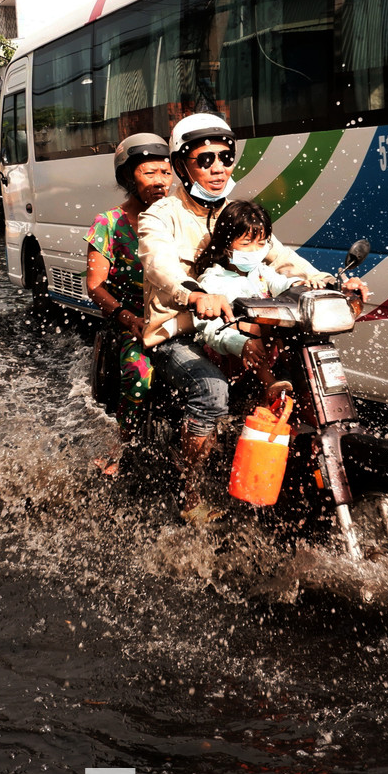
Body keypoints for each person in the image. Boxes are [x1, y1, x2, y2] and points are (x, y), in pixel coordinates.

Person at [139, 113, 362, 523]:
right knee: (212, 393)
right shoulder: (161, 215)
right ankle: (189, 488)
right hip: (181, 332)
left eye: (225, 157)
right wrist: (194, 293)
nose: (218, 168)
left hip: (243, 326)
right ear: (181, 165)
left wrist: (328, 282)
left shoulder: (239, 214)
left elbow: (282, 261)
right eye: (205, 159)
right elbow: (158, 264)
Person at [84, 133, 173, 473]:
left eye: (165, 173)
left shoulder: (176, 219)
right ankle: (123, 448)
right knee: (138, 375)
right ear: (127, 178)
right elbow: (95, 286)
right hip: (131, 322)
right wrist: (126, 317)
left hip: (176, 315)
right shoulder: (108, 223)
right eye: (149, 173)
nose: (160, 182)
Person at [191, 200, 312, 402]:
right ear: (225, 244)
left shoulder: (261, 271)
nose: (255, 250)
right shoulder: (212, 281)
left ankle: (295, 377)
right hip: (232, 354)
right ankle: (269, 383)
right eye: (246, 243)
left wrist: (304, 285)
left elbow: (283, 284)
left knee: (285, 315)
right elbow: (209, 329)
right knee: (253, 319)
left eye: (261, 243)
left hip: (263, 350)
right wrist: (240, 343)